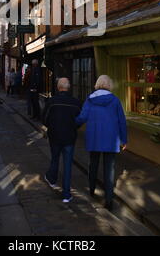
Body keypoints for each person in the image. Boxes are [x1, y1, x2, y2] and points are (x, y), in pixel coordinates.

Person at [75, 75, 127, 212]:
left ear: (97, 84)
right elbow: (122, 121)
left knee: (93, 164)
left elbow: (82, 117)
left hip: (94, 137)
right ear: (109, 85)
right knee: (109, 169)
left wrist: (70, 124)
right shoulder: (115, 100)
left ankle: (91, 189)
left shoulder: (90, 100)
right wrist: (124, 139)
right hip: (110, 139)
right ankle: (109, 199)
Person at [43, 78, 81, 203]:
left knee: (55, 158)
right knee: (68, 164)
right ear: (68, 87)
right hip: (69, 136)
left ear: (58, 87)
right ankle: (66, 194)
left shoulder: (52, 101)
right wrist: (73, 127)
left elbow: (45, 118)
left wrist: (51, 126)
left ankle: (52, 179)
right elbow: (79, 119)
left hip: (54, 135)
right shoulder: (75, 102)